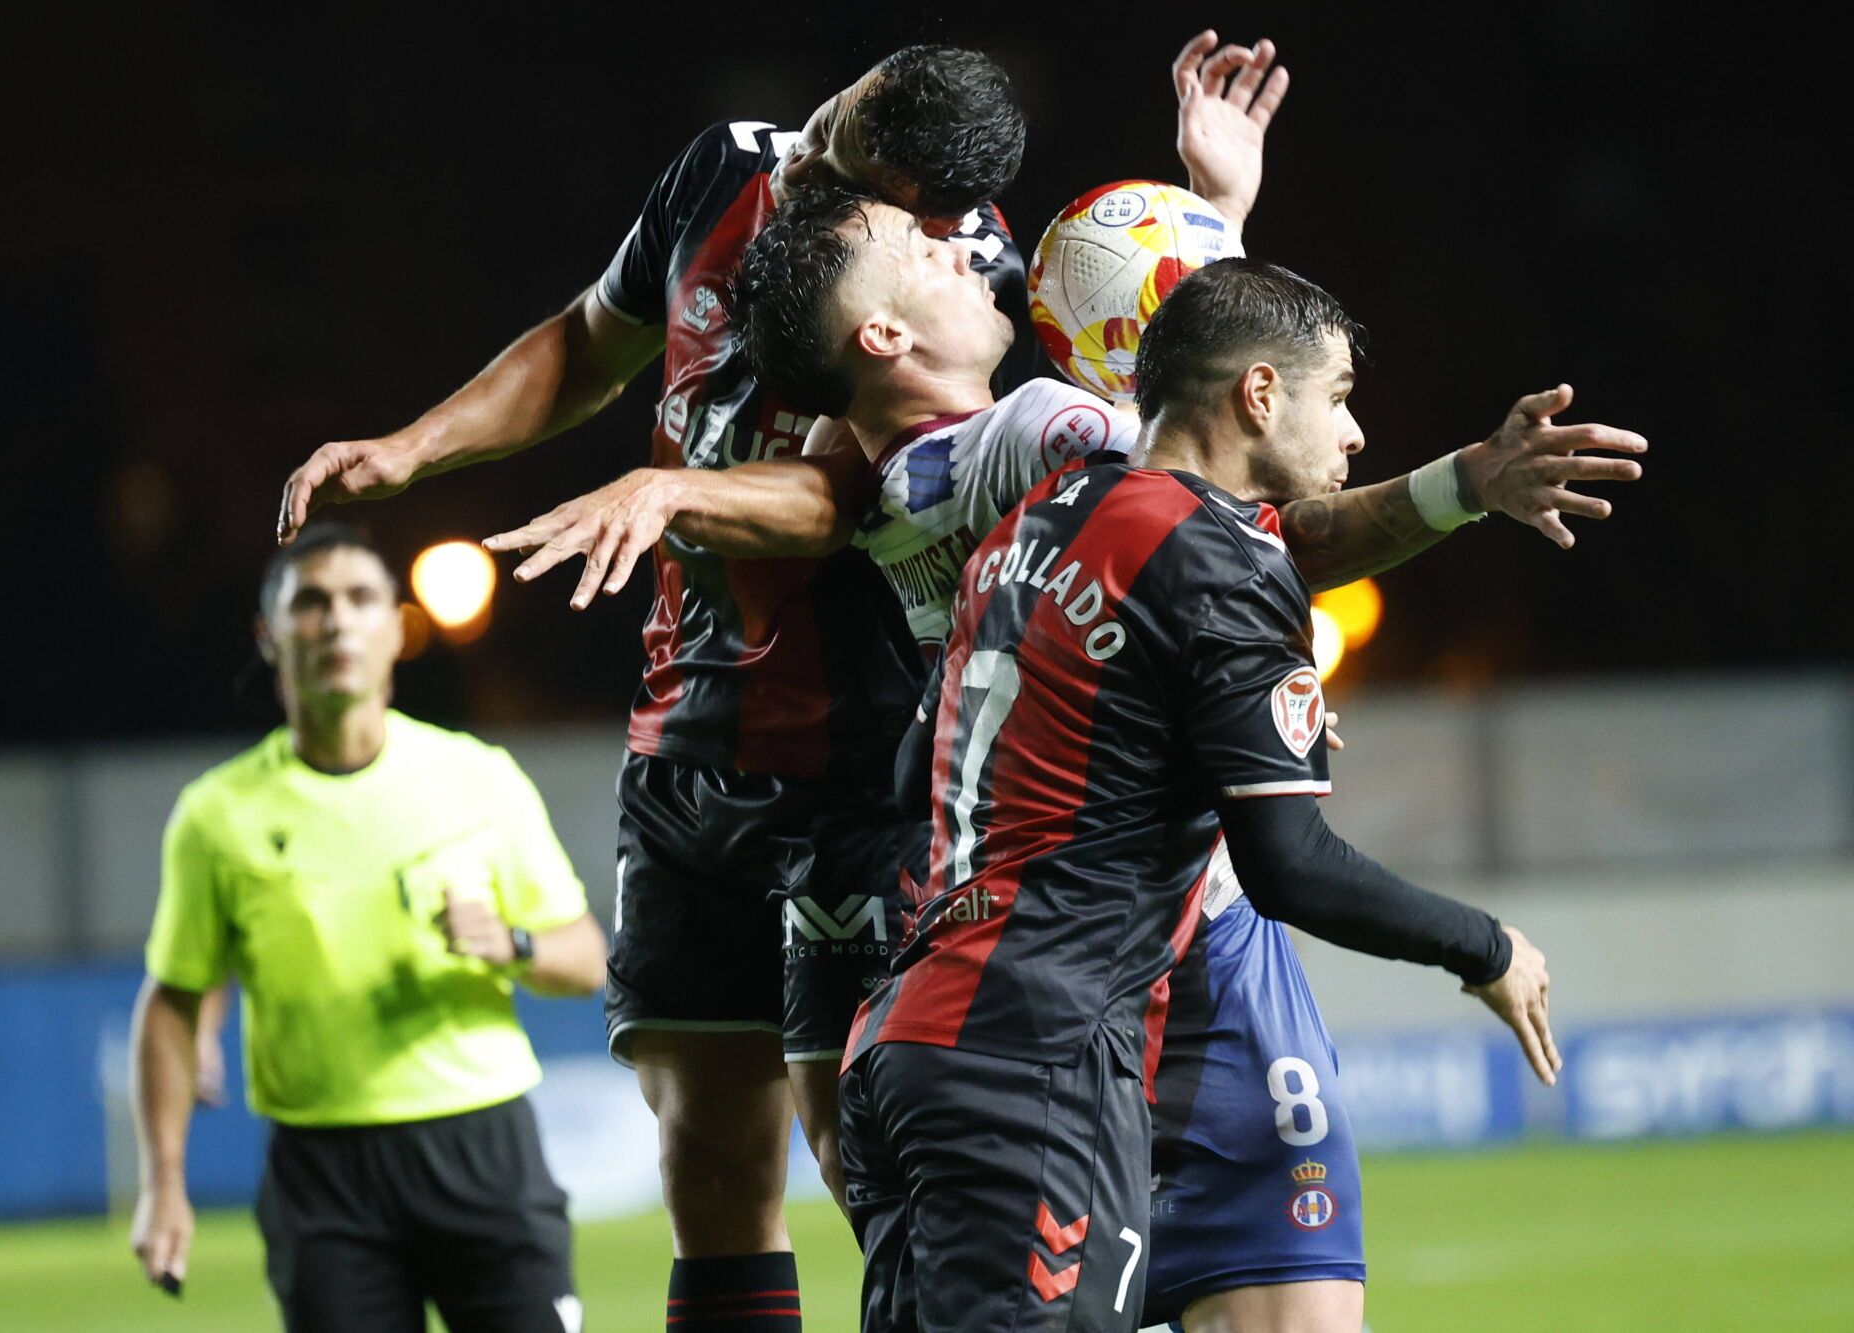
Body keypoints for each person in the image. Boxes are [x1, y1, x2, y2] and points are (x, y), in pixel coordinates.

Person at [274, 34, 1288, 1327]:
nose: (816, 155)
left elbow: (850, 490)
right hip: (688, 732)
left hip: (864, 761)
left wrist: (666, 488)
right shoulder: (724, 169)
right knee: (705, 1151)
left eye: (853, 161)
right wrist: (417, 448)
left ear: (929, 212)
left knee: (876, 1155)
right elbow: (590, 341)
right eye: (842, 115)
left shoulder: (955, 275)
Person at [833, 259, 1565, 1330]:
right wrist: (1485, 945)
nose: (1353, 432)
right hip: (1036, 1058)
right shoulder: (1216, 565)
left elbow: (913, 770)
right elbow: (1287, 864)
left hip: (904, 1047)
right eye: (1340, 396)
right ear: (1258, 394)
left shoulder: (1041, 514)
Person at [128, 522, 606, 1333]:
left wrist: (513, 943)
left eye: (360, 599)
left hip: (482, 1147)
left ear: (394, 626)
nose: (338, 622)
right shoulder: (218, 816)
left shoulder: (478, 776)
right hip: (323, 1172)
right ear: (269, 635)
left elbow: (587, 958)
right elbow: (176, 997)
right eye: (311, 603)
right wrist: (163, 1181)